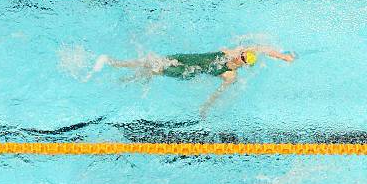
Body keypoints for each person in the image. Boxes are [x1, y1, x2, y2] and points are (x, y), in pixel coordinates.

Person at [92, 45, 295, 116]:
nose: (237, 57)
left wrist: (206, 107)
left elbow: (218, 93)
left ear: (243, 64)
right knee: (152, 65)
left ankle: (113, 63)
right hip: (186, 58)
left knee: (153, 65)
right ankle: (126, 79)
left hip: (187, 71)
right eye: (241, 53)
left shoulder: (230, 75)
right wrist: (284, 57)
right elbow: (263, 49)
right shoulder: (230, 51)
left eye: (241, 59)